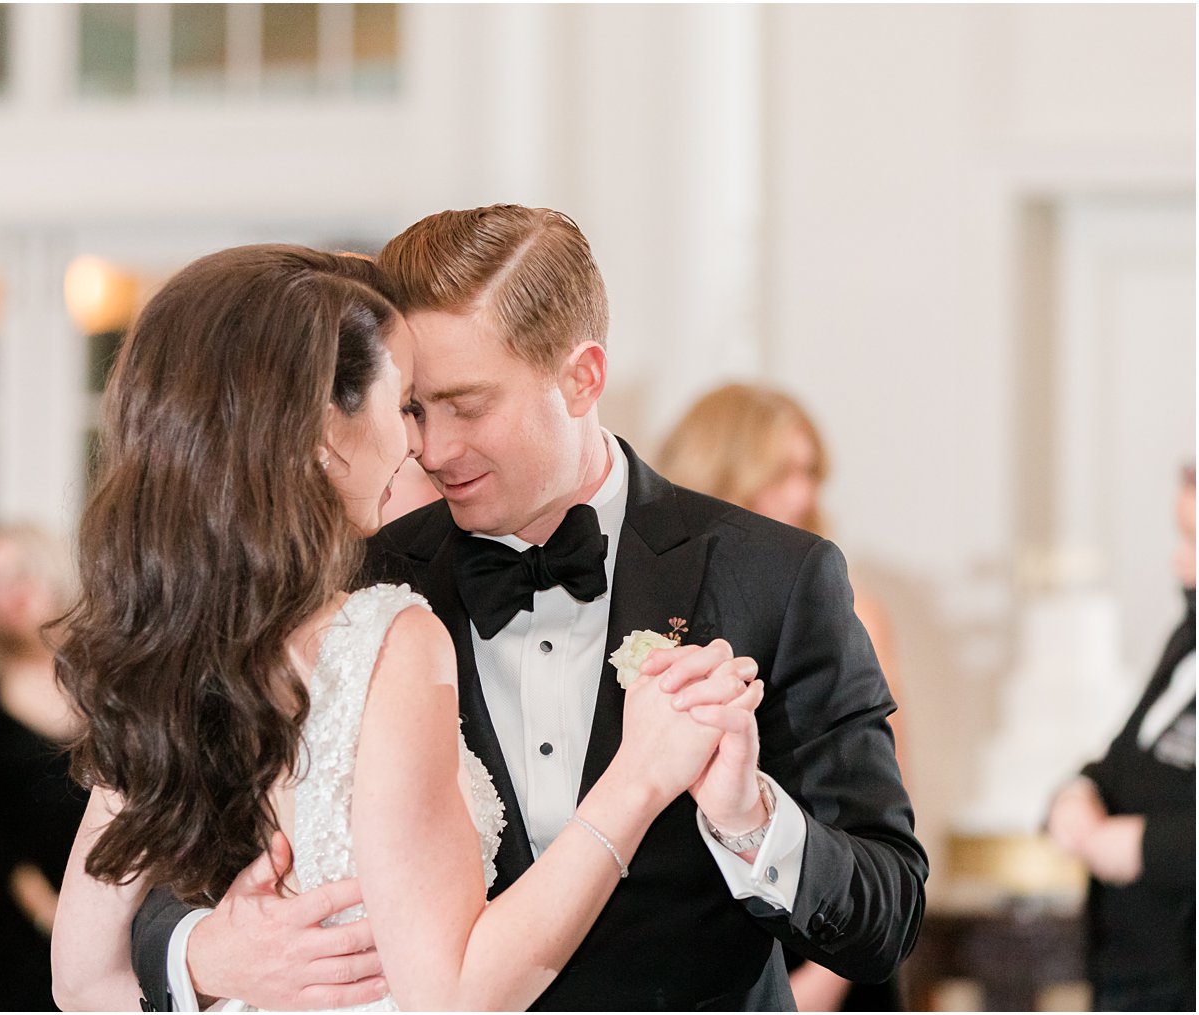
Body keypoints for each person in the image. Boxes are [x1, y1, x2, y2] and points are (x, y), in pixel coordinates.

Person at [118, 207, 926, 1011]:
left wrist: (752, 821)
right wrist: (209, 953)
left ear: (582, 376)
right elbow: (166, 839)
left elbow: (887, 913)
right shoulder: (356, 592)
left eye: (467, 406)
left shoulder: (776, 577)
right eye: (413, 407)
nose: (432, 450)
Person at [49, 244, 759, 1011]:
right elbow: (452, 997)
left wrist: (201, 970)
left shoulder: (170, 650)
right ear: (326, 433)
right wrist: (641, 775)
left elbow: (81, 981)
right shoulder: (384, 638)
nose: (420, 443)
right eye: (403, 405)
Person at [660, 382, 907, 1011]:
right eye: (782, 472)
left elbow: (876, 820)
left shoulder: (853, 617)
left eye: (811, 473)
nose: (804, 494)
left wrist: (820, 985)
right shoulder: (663, 616)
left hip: (822, 935)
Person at [1047, 466, 1196, 1012]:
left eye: (1193, 540)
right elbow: (1122, 761)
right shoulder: (1187, 639)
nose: (1179, 561)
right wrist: (1077, 792)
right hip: (1128, 967)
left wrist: (1147, 847)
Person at [0, 521, 88, 1011]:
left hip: (120, 913)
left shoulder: (108, 679)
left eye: (18, 576)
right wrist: (54, 918)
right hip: (26, 931)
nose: (5, 596)